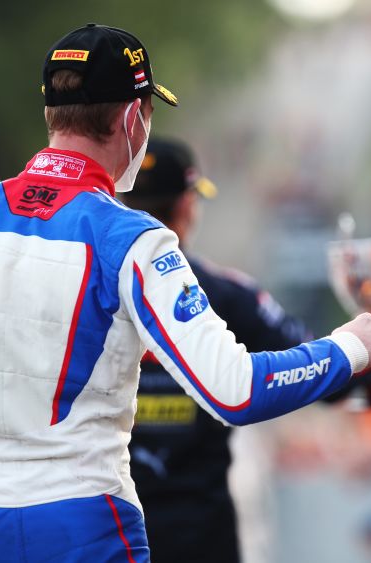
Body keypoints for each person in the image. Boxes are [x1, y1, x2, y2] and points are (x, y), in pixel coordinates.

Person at [0, 24, 371, 563]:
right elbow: (235, 392)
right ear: (133, 118)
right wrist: (351, 346)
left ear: (51, 114)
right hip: (88, 526)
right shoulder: (133, 240)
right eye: (149, 114)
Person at [119, 137, 313, 562]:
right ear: (188, 206)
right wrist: (369, 350)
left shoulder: (86, 288)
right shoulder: (226, 293)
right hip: (200, 534)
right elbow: (310, 363)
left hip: (109, 531)